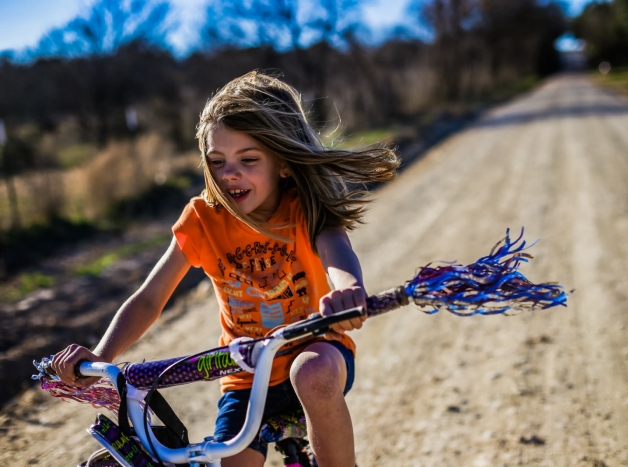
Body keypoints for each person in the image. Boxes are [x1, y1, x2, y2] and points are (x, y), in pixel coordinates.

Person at [52, 70, 400, 467]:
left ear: (284, 164)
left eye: (248, 160)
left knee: (312, 375)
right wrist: (102, 354)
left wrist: (346, 288)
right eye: (217, 161)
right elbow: (150, 298)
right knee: (229, 460)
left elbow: (335, 246)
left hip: (317, 350)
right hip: (245, 376)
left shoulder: (302, 207)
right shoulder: (202, 220)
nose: (229, 173)